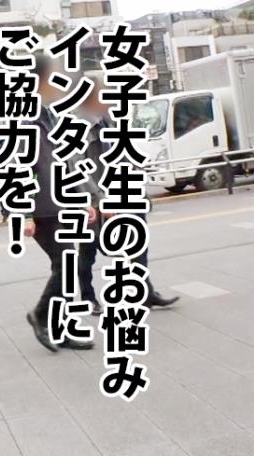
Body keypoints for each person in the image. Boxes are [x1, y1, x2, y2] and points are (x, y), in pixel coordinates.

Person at [77, 76, 179, 311]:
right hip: (95, 199)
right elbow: (78, 169)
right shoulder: (79, 126)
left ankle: (145, 292)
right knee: (89, 249)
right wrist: (97, 200)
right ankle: (87, 297)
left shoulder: (109, 121)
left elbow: (122, 155)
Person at [22, 55, 96, 352]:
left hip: (60, 205)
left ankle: (58, 326)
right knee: (67, 263)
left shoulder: (51, 116)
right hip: (41, 210)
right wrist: (23, 213)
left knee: (68, 265)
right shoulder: (26, 119)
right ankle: (41, 315)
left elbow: (67, 162)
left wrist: (83, 199)